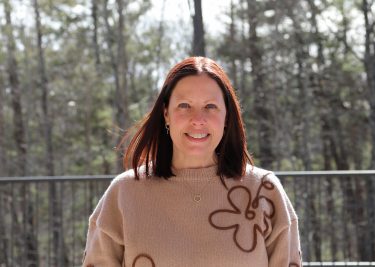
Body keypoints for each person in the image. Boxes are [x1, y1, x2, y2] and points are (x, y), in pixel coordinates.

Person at [82, 57, 302, 267]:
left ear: (227, 116)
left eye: (210, 107)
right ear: (166, 113)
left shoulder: (264, 190)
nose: (198, 119)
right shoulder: (124, 193)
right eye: (185, 105)